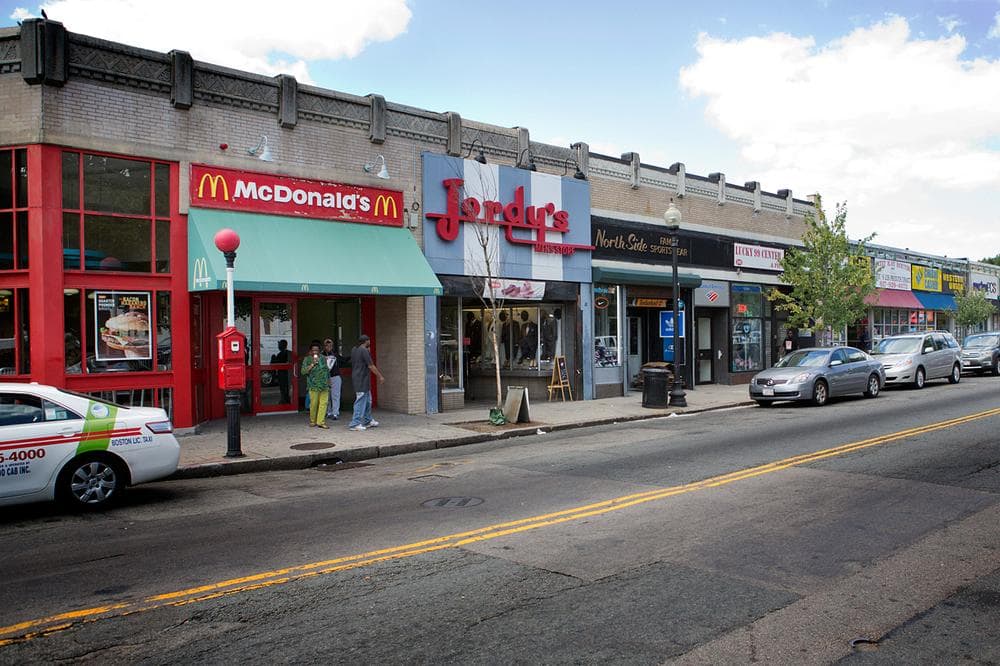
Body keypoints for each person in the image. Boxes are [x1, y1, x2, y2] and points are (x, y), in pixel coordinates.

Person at [348, 334, 385, 431]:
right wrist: (380, 376)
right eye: (369, 341)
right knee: (360, 401)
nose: (370, 342)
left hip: (362, 380)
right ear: (366, 341)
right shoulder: (364, 350)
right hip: (361, 380)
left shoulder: (354, 349)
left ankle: (368, 420)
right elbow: (371, 366)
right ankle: (354, 424)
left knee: (368, 401)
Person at [301, 340, 329, 428]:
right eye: (313, 350)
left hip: (324, 384)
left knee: (323, 403)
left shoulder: (324, 358)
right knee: (313, 404)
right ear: (310, 351)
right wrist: (312, 364)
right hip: (313, 385)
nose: (315, 352)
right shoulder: (307, 359)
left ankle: (321, 422)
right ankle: (313, 420)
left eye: (317, 350)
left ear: (320, 351)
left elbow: (327, 370)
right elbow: (303, 371)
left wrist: (329, 381)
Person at [323, 337, 346, 420]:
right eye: (326, 345)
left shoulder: (335, 354)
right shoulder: (321, 355)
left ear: (332, 346)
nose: (328, 347)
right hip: (325, 378)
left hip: (335, 377)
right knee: (327, 396)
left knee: (335, 395)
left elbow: (343, 360)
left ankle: (335, 413)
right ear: (324, 346)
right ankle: (328, 412)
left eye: (330, 346)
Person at [270, 339, 291, 404]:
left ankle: (284, 400)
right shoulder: (288, 353)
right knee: (286, 388)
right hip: (286, 373)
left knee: (284, 388)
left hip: (283, 374)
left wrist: (273, 359)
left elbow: (275, 364)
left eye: (279, 344)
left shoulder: (281, 354)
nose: (278, 346)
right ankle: (285, 399)